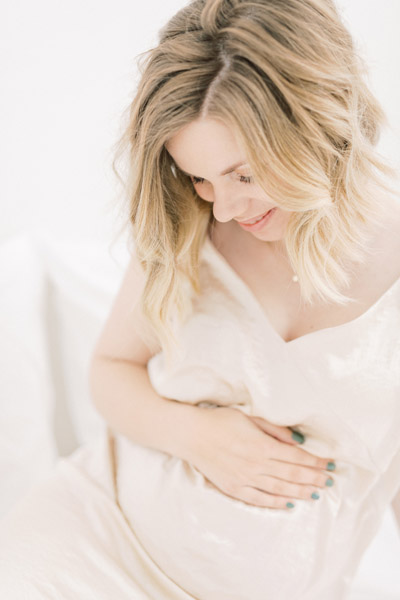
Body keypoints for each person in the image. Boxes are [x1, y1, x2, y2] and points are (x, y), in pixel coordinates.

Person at [1, 0, 400, 598]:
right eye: (200, 177)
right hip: (88, 540)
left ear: (318, 122)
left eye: (245, 174)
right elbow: (111, 369)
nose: (226, 208)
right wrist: (196, 436)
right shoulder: (188, 225)